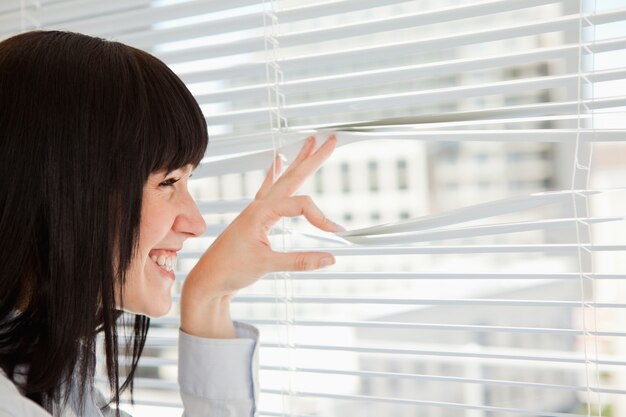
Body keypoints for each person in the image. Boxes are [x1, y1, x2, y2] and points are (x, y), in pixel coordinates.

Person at [0, 30, 342, 417]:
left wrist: (208, 296)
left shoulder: (52, 375)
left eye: (187, 180)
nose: (196, 224)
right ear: (63, 188)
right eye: (167, 182)